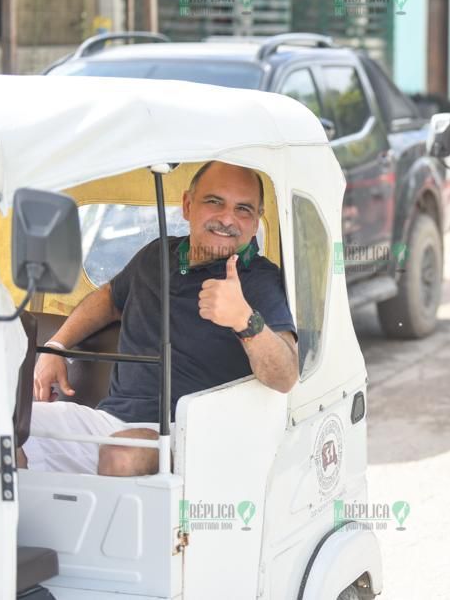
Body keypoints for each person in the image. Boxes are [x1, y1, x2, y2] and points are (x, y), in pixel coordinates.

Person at [20, 162, 299, 476]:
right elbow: (110, 298)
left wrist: (245, 320)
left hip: (189, 439)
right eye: (214, 202)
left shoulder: (260, 280)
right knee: (8, 428)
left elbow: (285, 375)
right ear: (187, 205)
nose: (227, 219)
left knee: (122, 453)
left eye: (243, 209)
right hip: (109, 421)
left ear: (255, 221)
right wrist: (57, 347)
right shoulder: (156, 256)